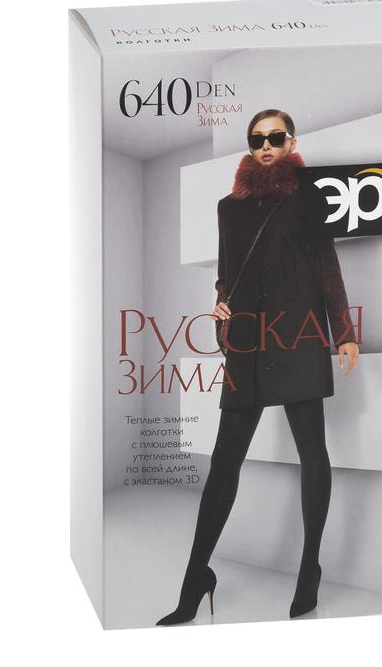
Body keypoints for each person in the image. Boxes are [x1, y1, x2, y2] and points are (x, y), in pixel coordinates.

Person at [156, 109, 360, 625]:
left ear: (291, 141)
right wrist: (220, 306)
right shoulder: (228, 208)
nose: (266, 145)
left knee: (312, 453)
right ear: (249, 145)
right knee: (224, 462)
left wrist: (344, 332)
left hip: (299, 335)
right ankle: (195, 577)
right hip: (247, 340)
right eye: (257, 138)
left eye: (275, 137)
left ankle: (309, 567)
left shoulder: (308, 196)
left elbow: (326, 265)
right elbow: (226, 275)